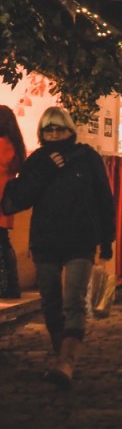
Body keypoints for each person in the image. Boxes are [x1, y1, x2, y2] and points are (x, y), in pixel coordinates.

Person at [1, 106, 115, 390]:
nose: (54, 134)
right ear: (41, 132)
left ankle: (66, 362)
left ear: (70, 129)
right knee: (50, 301)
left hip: (80, 239)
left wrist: (107, 239)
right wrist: (46, 171)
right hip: (46, 240)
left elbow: (104, 198)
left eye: (59, 128)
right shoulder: (38, 160)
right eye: (48, 129)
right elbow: (22, 198)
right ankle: (60, 355)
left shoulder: (88, 158)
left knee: (73, 299)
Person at [0, 105, 26, 299]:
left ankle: (8, 287)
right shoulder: (14, 143)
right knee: (4, 243)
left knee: (3, 244)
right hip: (4, 198)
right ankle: (11, 287)